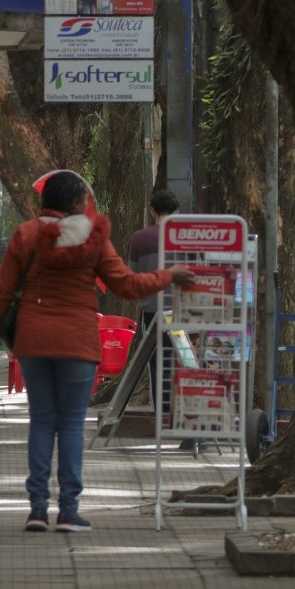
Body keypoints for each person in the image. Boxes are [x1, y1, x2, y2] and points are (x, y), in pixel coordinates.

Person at [0, 171, 194, 533]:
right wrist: (168, 276)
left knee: (43, 421)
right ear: (77, 203)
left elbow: (0, 292)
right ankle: (69, 510)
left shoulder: (26, 235)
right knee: (72, 425)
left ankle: (37, 509)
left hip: (34, 340)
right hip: (77, 340)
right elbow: (127, 285)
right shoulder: (93, 237)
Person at [129, 189, 181, 443]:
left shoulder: (139, 238)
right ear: (177, 211)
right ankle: (183, 413)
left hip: (152, 311)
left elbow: (134, 276)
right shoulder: (184, 237)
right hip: (184, 313)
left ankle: (162, 413)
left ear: (153, 211)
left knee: (157, 363)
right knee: (183, 361)